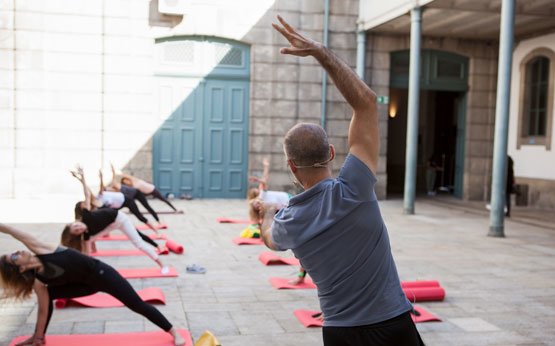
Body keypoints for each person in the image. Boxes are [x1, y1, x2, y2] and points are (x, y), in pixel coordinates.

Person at [258, 16, 424, 346]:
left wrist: (264, 212)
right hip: (393, 325)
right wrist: (321, 53)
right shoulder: (356, 187)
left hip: (340, 333)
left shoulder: (288, 222)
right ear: (332, 152)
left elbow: (269, 240)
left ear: (291, 165)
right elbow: (365, 102)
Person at [0, 223, 185, 346]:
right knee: (47, 296)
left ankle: (173, 331)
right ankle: (39, 338)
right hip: (84, 286)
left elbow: (11, 231)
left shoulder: (42, 249)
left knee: (136, 304)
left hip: (102, 274)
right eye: (15, 256)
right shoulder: (39, 281)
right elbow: (42, 310)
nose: (19, 251)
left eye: (15, 251)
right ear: (20, 269)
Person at [65, 167, 169, 274]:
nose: (79, 227)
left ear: (76, 222)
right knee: (89, 241)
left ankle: (163, 265)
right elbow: (86, 253)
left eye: (76, 226)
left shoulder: (86, 215)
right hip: (110, 225)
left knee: (138, 243)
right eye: (77, 230)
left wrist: (81, 178)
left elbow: (87, 194)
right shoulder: (87, 236)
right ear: (79, 234)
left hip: (120, 219)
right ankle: (87, 268)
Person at [104, 166, 162, 231]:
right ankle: (108, 230)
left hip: (137, 193)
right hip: (130, 198)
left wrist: (113, 171)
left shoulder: (117, 185)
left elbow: (113, 179)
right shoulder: (114, 191)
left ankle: (158, 221)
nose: (110, 188)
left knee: (147, 206)